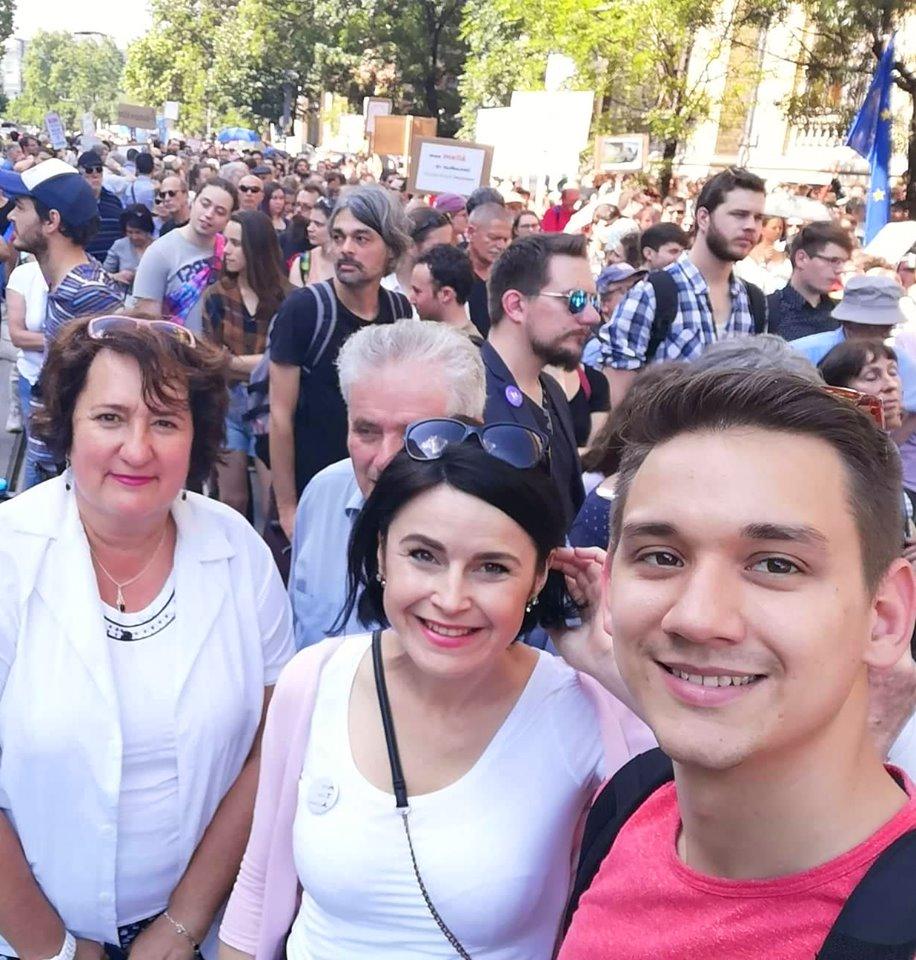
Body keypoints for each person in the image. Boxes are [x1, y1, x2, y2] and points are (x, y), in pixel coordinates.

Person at [219, 429, 653, 960]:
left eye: (492, 568)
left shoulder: (589, 708)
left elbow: (709, 806)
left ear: (541, 575)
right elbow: (259, 885)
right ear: (381, 554)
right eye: (423, 555)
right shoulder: (313, 680)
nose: (451, 598)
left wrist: (604, 664)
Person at [558, 367, 916, 958]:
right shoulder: (627, 807)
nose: (698, 617)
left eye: (775, 564)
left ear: (884, 617)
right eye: (662, 556)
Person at [0, 315, 294, 960]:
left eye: (165, 422)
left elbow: (272, 748)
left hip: (201, 933)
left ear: (196, 436)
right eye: (110, 417)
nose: (138, 448)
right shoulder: (8, 555)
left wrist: (184, 925)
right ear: (66, 423)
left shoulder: (238, 551)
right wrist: (51, 948)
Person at [288, 320, 486, 649]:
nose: (384, 459)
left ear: (471, 434)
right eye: (367, 431)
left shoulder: (513, 528)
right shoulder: (322, 497)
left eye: (417, 435)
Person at [269, 184, 413, 538]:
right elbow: (279, 415)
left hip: (377, 488)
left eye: (362, 238)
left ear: (390, 248)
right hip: (316, 494)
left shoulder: (400, 310)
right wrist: (289, 509)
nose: (346, 249)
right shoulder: (303, 309)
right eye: (339, 236)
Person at [600, 167, 767, 407]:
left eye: (758, 217)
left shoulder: (753, 301)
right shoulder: (653, 293)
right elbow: (616, 400)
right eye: (739, 214)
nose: (751, 226)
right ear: (703, 218)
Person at [4, 158, 125, 486]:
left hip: (69, 475)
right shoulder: (72, 285)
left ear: (51, 221)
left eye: (20, 206)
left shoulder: (88, 294)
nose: (11, 215)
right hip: (54, 465)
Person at [483, 232, 596, 528]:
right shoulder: (465, 395)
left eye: (592, 300)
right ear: (516, 306)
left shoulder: (553, 391)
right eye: (575, 300)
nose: (592, 315)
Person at [203, 210, 292, 519]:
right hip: (229, 404)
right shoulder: (216, 296)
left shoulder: (287, 298)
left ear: (256, 248)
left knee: (273, 504)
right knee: (232, 502)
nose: (225, 250)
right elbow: (212, 358)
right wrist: (264, 361)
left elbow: (284, 357)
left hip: (272, 405)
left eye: (235, 243)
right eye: (225, 241)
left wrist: (234, 361)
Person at [133, 178, 238, 333]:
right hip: (175, 350)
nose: (209, 214)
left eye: (220, 212)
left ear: (228, 219)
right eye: (205, 204)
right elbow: (147, 322)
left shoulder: (229, 253)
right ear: (192, 202)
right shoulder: (159, 252)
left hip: (218, 351)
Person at [767, 221, 853, 341]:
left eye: (843, 263)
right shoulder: (767, 311)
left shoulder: (841, 314)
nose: (840, 270)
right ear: (801, 258)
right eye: (833, 261)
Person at [5, 256, 48, 488]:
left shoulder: (83, 279)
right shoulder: (24, 275)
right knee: (36, 456)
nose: (10, 215)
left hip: (70, 380)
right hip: (31, 377)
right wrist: (63, 339)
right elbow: (18, 336)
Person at [408, 243, 480, 339]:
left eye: (417, 291)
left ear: (446, 294)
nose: (411, 299)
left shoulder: (465, 349)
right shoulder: (434, 337)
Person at [382, 207, 453, 297]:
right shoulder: (380, 288)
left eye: (448, 246)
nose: (445, 253)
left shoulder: (448, 289)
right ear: (410, 245)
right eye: (437, 247)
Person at [466, 202, 513, 337]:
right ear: (471, 232)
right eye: (493, 238)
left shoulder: (511, 277)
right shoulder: (452, 273)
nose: (500, 245)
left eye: (506, 239)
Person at [78, 151, 124, 264]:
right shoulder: (73, 203)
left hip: (114, 267)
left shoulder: (114, 200)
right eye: (89, 170)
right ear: (80, 173)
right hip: (85, 268)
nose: (95, 174)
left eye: (99, 169)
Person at [103, 205, 156, 296]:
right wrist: (116, 276)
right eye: (130, 232)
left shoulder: (159, 246)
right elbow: (103, 274)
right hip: (126, 298)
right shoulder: (119, 245)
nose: (134, 237)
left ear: (147, 230)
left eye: (138, 232)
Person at [287, 196, 335, 287]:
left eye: (318, 224)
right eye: (310, 222)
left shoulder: (348, 263)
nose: (309, 228)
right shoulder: (302, 263)